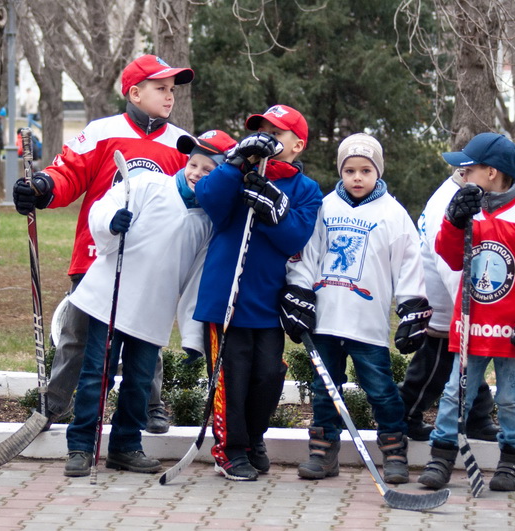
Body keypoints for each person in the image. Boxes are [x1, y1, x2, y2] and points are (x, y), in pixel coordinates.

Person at [13, 55, 194, 435]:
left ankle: (151, 404)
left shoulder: (180, 144)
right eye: (160, 88)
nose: (169, 96)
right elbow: (67, 173)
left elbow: (191, 196)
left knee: (148, 338)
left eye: (171, 90)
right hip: (97, 258)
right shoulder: (102, 131)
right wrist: (43, 186)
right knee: (77, 336)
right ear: (134, 92)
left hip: (150, 265)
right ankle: (55, 402)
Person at [62, 130, 235, 477]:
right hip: (109, 299)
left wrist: (193, 336)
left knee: (140, 381)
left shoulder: (209, 222)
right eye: (194, 164)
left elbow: (195, 283)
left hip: (153, 311)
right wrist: (112, 224)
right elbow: (103, 209)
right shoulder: (147, 186)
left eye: (208, 170)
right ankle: (82, 445)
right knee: (98, 374)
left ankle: (125, 445)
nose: (196, 173)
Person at [418, 132, 515, 492]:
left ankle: (512, 461)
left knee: (511, 397)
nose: (462, 176)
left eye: (468, 169)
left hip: (512, 328)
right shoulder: (469, 210)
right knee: (455, 393)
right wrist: (453, 223)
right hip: (473, 325)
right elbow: (451, 259)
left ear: (493, 172)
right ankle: (441, 456)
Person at [282, 133, 431, 484]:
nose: (357, 177)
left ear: (378, 171)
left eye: (366, 170)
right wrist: (299, 293)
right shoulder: (324, 208)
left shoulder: (393, 214)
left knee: (380, 389)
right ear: (341, 171)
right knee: (324, 389)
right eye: (350, 170)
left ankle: (394, 452)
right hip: (326, 320)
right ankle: (323, 452)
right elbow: (307, 255)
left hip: (367, 323)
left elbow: (410, 264)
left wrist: (411, 307)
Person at [194, 105, 323, 481]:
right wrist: (235, 163)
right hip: (225, 300)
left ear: (297, 145)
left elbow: (295, 238)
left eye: (276, 133)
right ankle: (230, 449)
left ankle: (252, 438)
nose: (267, 137)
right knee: (230, 377)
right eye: (260, 130)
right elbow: (209, 199)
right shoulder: (238, 172)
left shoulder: (306, 189)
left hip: (268, 301)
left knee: (267, 375)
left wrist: (275, 209)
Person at [398, 171, 499, 442]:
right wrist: (469, 307)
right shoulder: (449, 200)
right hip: (444, 303)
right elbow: (448, 261)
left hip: (454, 303)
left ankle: (477, 417)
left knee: (468, 363)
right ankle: (405, 414)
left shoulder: (466, 194)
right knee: (434, 366)